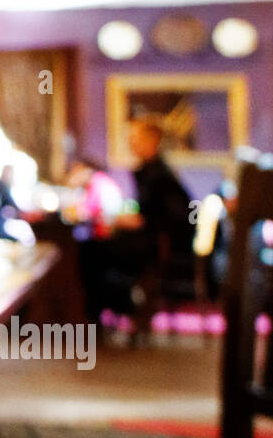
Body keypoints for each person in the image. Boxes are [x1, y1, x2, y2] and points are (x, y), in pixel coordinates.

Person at [79, 118, 194, 330]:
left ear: (153, 140)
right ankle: (116, 306)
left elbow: (158, 218)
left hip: (157, 246)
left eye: (135, 138)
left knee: (90, 251)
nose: (131, 143)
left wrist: (120, 220)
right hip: (155, 241)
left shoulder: (157, 174)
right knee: (93, 249)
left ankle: (110, 310)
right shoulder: (154, 170)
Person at [66, 155, 123, 239]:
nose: (74, 175)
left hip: (106, 231)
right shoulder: (92, 183)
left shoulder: (99, 182)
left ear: (86, 170)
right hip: (98, 228)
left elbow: (87, 210)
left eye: (77, 171)